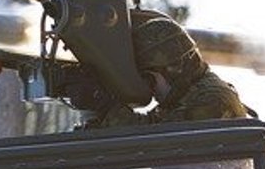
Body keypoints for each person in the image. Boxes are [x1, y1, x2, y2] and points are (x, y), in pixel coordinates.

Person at [87, 12, 251, 127]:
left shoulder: (211, 100)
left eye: (149, 79)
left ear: (173, 70)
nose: (150, 90)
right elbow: (148, 126)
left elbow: (152, 141)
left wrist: (104, 104)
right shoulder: (183, 97)